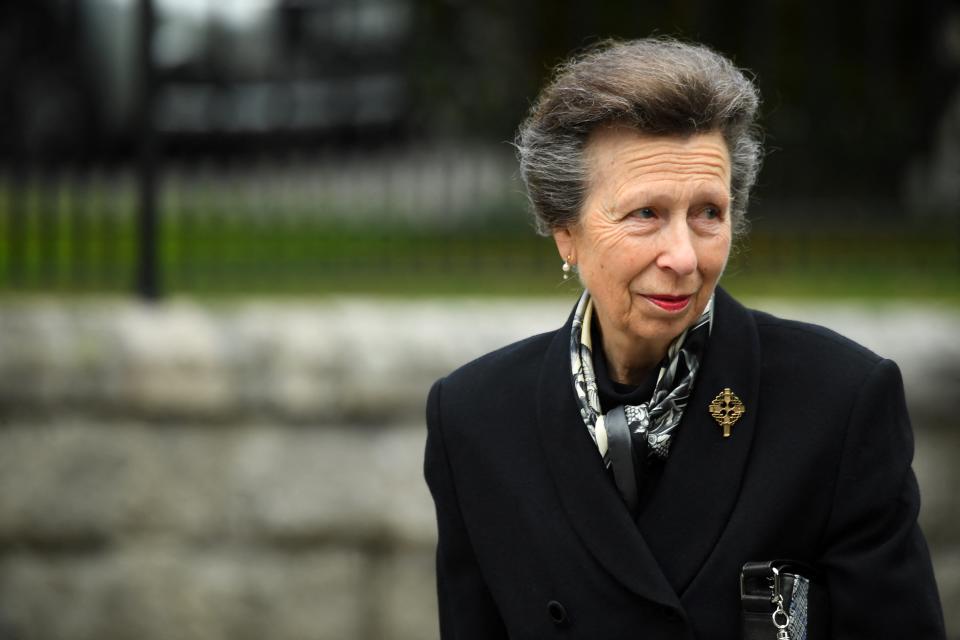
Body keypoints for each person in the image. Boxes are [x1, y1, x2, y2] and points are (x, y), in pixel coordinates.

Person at [423, 37, 945, 639]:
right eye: (645, 214)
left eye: (708, 213)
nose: (683, 256)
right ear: (565, 232)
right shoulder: (474, 418)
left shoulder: (840, 402)